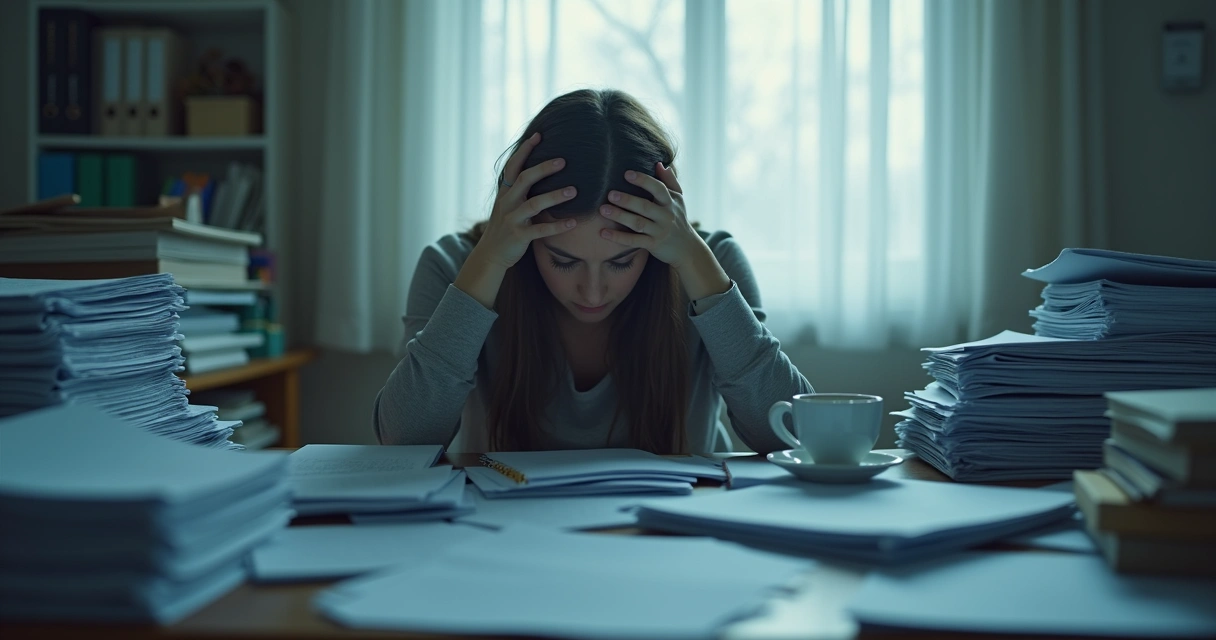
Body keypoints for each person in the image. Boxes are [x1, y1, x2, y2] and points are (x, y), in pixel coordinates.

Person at [374, 88, 812, 454]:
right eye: (563, 260)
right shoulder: (455, 267)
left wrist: (697, 266)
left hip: (672, 538)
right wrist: (488, 264)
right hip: (506, 534)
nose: (593, 290)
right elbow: (403, 441)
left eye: (622, 261)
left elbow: (795, 435)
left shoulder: (708, 264)